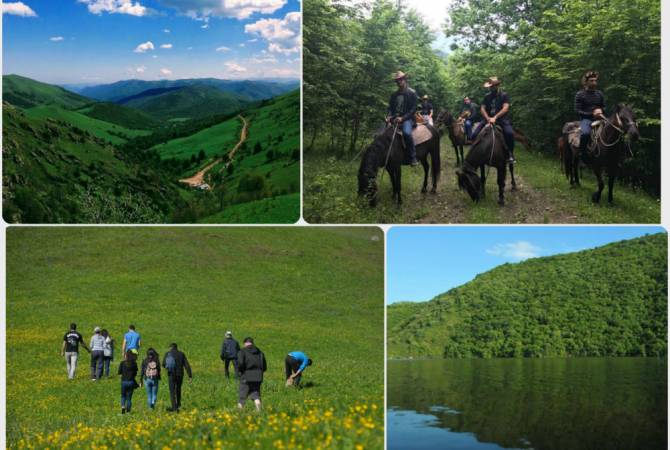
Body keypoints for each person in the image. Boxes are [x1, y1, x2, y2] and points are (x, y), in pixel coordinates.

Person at [471, 77, 516, 163]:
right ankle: (475, 154)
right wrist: (488, 118)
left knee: (509, 133)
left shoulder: (504, 95)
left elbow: (505, 108)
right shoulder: (487, 96)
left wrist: (495, 117)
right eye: (490, 86)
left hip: (501, 119)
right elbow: (482, 108)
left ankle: (510, 154)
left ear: (497, 85)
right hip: (487, 119)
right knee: (474, 134)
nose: (490, 88)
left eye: (492, 86)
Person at [386, 71, 419, 166]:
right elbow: (390, 108)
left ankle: (413, 157)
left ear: (404, 79)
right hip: (395, 118)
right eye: (397, 80)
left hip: (407, 119)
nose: (399, 82)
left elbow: (413, 109)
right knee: (380, 132)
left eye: (400, 79)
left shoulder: (412, 93)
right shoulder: (394, 95)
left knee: (407, 133)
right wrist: (388, 116)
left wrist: (403, 118)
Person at [574, 70, 606, 164]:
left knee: (615, 129)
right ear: (586, 81)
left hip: (600, 118)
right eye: (591, 80)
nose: (594, 82)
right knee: (585, 134)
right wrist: (592, 114)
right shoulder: (580, 94)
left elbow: (604, 106)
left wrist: (601, 110)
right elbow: (577, 110)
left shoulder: (599, 94)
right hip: (586, 119)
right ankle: (582, 155)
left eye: (595, 80)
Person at [237, 337, 267, 411]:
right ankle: (259, 411)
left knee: (242, 395)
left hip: (246, 376)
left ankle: (239, 412)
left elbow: (240, 363)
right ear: (252, 343)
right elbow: (264, 366)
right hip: (258, 377)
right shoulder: (260, 352)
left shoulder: (242, 351)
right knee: (255, 394)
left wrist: (241, 371)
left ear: (244, 344)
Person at [162, 343, 192, 412]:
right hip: (180, 374)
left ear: (170, 347)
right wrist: (190, 375)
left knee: (172, 391)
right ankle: (178, 405)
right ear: (176, 347)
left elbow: (163, 364)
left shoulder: (168, 353)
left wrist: (167, 367)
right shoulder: (181, 354)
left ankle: (174, 408)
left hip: (171, 374)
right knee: (178, 389)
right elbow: (186, 365)